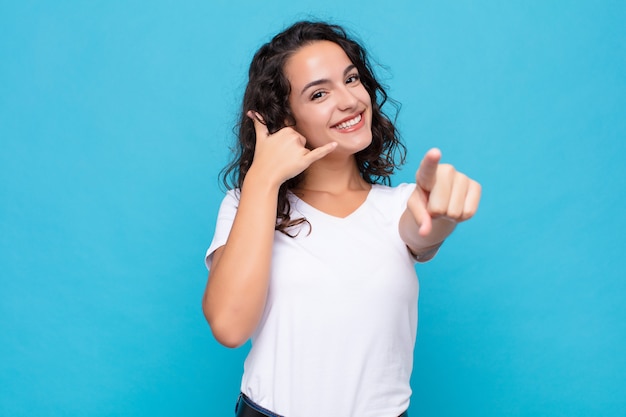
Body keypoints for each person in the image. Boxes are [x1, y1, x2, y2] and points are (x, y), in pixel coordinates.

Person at [202, 20, 481, 417]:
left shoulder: (399, 204)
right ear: (285, 117)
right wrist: (264, 179)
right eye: (319, 93)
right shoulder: (245, 205)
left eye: (351, 79)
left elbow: (420, 230)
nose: (349, 100)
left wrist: (439, 216)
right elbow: (229, 327)